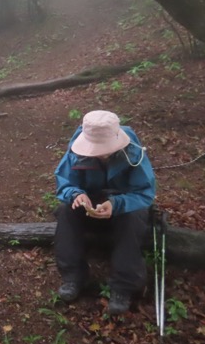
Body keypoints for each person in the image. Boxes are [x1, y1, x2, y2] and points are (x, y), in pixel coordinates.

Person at [53, 110, 156, 315]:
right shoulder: (76, 150)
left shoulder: (133, 152)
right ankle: (73, 276)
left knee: (131, 219)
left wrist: (116, 203)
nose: (101, 153)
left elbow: (145, 193)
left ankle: (123, 286)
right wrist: (76, 195)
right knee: (66, 211)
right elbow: (64, 183)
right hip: (91, 201)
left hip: (125, 206)